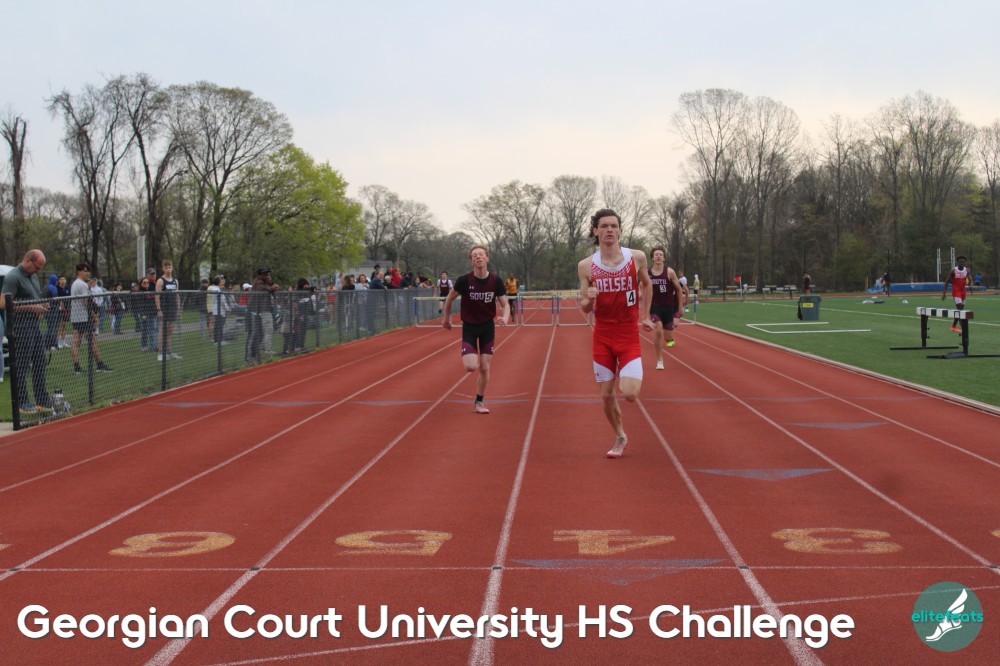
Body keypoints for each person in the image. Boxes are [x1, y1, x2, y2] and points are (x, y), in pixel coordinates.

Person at [577, 209, 653, 459]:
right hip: (602, 334)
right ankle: (620, 436)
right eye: (604, 226)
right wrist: (589, 299)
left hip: (628, 333)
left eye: (613, 226)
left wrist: (645, 315)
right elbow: (584, 306)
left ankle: (627, 378)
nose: (609, 230)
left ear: (620, 230)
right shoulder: (586, 265)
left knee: (629, 393)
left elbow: (647, 284)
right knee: (607, 395)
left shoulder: (636, 257)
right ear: (596, 231)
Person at [442, 245, 510, 414]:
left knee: (485, 367)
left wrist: (505, 317)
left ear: (487, 258)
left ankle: (479, 402)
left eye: (481, 254)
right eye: (475, 256)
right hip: (470, 327)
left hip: (487, 327)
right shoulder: (464, 281)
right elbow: (449, 298)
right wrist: (446, 318)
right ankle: (474, 362)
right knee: (471, 367)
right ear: (471, 261)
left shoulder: (496, 280)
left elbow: (505, 303)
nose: (478, 257)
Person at [2, 249, 54, 414]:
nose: (38, 271)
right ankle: (22, 402)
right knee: (21, 366)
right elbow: (3, 303)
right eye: (37, 267)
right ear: (28, 261)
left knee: (40, 361)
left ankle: (42, 399)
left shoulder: (34, 277)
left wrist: (41, 305)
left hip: (35, 325)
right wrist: (30, 307)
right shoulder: (13, 277)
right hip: (20, 326)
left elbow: (33, 298)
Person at [69, 262, 113, 374]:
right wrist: (94, 316)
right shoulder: (82, 285)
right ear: (79, 271)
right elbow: (86, 302)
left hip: (76, 317)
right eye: (85, 271)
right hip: (84, 317)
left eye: (88, 271)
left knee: (77, 341)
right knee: (92, 340)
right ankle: (99, 364)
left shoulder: (75, 284)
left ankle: (77, 367)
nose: (87, 273)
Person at [648, 247, 685, 369]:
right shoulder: (648, 273)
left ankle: (669, 338)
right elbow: (641, 288)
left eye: (661, 254)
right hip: (655, 306)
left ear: (663, 258)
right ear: (652, 258)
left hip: (669, 307)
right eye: (656, 254)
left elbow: (679, 289)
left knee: (668, 337)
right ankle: (660, 360)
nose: (658, 256)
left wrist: (680, 307)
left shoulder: (670, 272)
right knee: (658, 331)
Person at [247, 267, 280, 362]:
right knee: (262, 331)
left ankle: (261, 350)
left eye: (268, 274)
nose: (268, 276)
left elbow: (271, 288)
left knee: (264, 331)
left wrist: (273, 287)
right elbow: (264, 289)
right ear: (260, 275)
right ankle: (263, 351)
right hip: (259, 310)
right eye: (265, 274)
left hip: (264, 309)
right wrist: (272, 288)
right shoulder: (258, 282)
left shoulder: (265, 282)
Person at [154, 260, 182, 360]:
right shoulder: (160, 281)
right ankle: (160, 353)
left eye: (169, 267)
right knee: (163, 331)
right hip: (164, 308)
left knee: (170, 331)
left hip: (173, 308)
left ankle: (169, 351)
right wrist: (159, 309)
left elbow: (177, 295)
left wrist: (178, 308)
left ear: (172, 268)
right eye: (166, 267)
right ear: (163, 269)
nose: (168, 269)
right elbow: (157, 296)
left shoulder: (175, 281)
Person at [942, 255, 971, 332]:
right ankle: (963, 328)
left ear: (965, 262)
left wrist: (970, 284)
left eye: (963, 262)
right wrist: (944, 293)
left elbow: (970, 279)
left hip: (963, 292)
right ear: (957, 262)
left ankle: (953, 326)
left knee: (960, 309)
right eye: (960, 261)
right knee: (959, 308)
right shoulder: (953, 270)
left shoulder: (967, 270)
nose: (962, 263)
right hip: (956, 291)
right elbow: (947, 281)